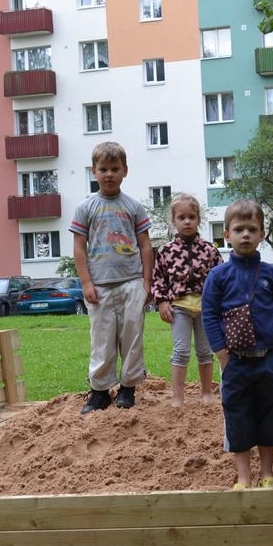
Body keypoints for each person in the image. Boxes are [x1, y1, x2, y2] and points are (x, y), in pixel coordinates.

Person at [201, 199, 273, 489]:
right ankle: (243, 477)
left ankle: (267, 473)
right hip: (235, 363)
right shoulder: (218, 276)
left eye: (252, 229)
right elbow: (210, 315)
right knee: (238, 416)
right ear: (225, 234)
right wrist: (222, 356)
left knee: (269, 415)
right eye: (238, 229)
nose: (245, 235)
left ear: (262, 234)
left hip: (268, 360)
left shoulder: (272, 275)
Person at [71, 141, 154, 414]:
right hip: (100, 286)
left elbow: (145, 245)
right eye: (103, 169)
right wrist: (86, 283)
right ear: (94, 171)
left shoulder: (133, 207)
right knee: (102, 340)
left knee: (132, 337)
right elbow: (79, 247)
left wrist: (146, 282)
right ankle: (100, 392)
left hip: (131, 282)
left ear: (125, 171)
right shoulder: (86, 207)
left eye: (114, 169)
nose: (109, 174)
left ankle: (128, 388)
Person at [151, 193, 223, 407]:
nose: (187, 221)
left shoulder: (210, 250)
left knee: (205, 350)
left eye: (191, 216)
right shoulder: (165, 251)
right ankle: (177, 397)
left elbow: (221, 278)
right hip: (179, 309)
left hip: (206, 309)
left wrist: (220, 305)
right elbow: (158, 279)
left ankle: (207, 393)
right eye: (181, 217)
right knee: (181, 351)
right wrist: (162, 302)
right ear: (174, 221)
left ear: (198, 219)